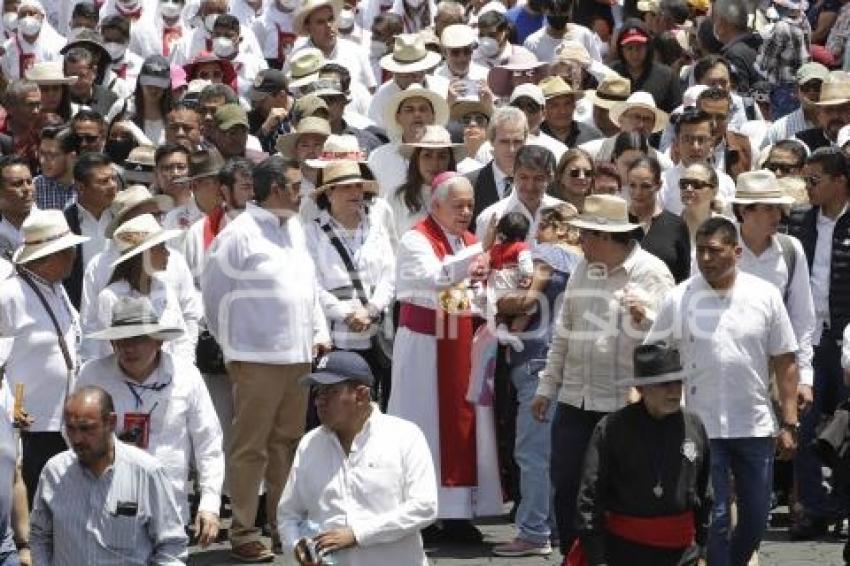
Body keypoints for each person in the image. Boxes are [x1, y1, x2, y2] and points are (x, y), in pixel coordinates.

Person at [646, 216, 800, 566]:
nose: (706, 259)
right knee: (713, 519)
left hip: (754, 424)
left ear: (737, 252)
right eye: (700, 251)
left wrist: (789, 422)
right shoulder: (679, 297)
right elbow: (652, 352)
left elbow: (785, 360)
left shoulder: (765, 296)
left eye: (715, 251)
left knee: (756, 518)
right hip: (699, 427)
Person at [202, 156, 331, 562]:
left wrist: (318, 333)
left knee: (287, 444)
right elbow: (213, 296)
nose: (302, 193)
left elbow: (308, 287)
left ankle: (283, 526)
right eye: (296, 187)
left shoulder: (295, 229)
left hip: (297, 355)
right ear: (275, 188)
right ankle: (243, 531)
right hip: (254, 357)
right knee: (250, 446)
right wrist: (234, 345)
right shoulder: (237, 234)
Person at [531, 194, 676, 557]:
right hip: (575, 399)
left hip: (621, 404)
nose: (580, 241)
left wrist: (646, 319)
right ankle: (574, 558)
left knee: (617, 493)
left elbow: (671, 339)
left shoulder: (651, 272)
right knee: (566, 486)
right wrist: (547, 387)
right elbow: (565, 331)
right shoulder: (584, 268)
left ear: (610, 237)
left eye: (588, 235)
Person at [389, 173, 503, 542]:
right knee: (423, 427)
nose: (467, 212)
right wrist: (477, 255)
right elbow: (433, 277)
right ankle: (422, 512)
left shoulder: (469, 242)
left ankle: (456, 513)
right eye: (459, 205)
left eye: (471, 205)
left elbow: (473, 295)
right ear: (435, 205)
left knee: (464, 427)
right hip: (424, 348)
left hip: (460, 344)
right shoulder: (415, 239)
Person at [78, 296, 224, 542]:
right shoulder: (93, 375)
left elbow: (208, 442)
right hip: (105, 510)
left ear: (158, 341)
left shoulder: (186, 375)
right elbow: (70, 434)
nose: (128, 348)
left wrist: (209, 503)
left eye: (137, 339)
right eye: (120, 340)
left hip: (169, 512)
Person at [278, 350, 438, 564]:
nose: (319, 401)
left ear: (361, 395)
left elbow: (425, 506)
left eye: (330, 392)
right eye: (318, 392)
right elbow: (289, 514)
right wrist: (296, 547)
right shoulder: (309, 444)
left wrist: (359, 534)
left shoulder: (405, 436)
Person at [491, 203, 580, 557]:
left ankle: (533, 530)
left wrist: (494, 300)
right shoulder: (588, 260)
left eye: (544, 223)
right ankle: (554, 526)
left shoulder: (543, 254)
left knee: (532, 452)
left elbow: (527, 300)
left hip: (538, 359)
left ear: (558, 228)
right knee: (556, 451)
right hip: (565, 360)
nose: (536, 230)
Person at [571, 343, 712, 566]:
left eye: (678, 382)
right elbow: (590, 498)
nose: (675, 390)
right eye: (665, 384)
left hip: (684, 554)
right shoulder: (612, 428)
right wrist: (597, 559)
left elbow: (705, 494)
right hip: (625, 552)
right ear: (641, 389)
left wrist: (703, 551)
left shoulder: (694, 426)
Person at [29, 386, 188, 564]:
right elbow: (40, 537)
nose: (77, 439)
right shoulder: (54, 472)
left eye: (86, 428)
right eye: (71, 429)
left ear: (110, 422)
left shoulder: (147, 472)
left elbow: (171, 546)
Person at [0, 208, 88, 505]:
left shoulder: (57, 288)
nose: (75, 256)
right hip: (30, 427)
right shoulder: (9, 295)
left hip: (65, 422)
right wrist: (10, 404)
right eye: (68, 250)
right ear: (48, 257)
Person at [786, 147, 850, 539]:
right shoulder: (797, 222)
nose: (806, 187)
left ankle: (843, 504)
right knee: (803, 425)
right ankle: (814, 507)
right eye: (804, 180)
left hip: (847, 340)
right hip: (808, 339)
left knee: (846, 429)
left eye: (814, 180)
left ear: (840, 181)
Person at [305, 160, 396, 406]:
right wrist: (346, 314)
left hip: (376, 333)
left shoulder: (376, 227)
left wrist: (371, 309)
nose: (356, 193)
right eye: (346, 187)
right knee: (338, 404)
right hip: (336, 337)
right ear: (329, 193)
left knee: (373, 402)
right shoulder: (312, 232)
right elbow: (312, 285)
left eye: (358, 186)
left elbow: (389, 275)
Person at [89, 213, 202, 364]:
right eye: (160, 247)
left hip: (171, 378)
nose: (167, 253)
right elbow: (109, 352)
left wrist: (183, 372)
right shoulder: (111, 297)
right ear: (143, 254)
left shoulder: (164, 289)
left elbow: (181, 338)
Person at [62, 152, 118, 310]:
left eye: (113, 178)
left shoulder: (123, 217)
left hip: (122, 310)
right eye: (103, 181)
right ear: (80, 187)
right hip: (81, 310)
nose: (112, 185)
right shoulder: (65, 224)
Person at [475, 144, 564, 242]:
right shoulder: (491, 217)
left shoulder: (564, 213)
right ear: (513, 174)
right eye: (523, 177)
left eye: (538, 179)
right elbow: (481, 255)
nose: (530, 186)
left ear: (550, 178)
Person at [625, 156, 691, 283]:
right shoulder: (617, 224)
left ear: (659, 185)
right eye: (632, 185)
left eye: (645, 186)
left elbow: (683, 277)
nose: (638, 192)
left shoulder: (676, 225)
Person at [392, 125, 462, 239]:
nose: (434, 163)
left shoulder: (461, 196)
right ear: (416, 160)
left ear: (450, 161)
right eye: (427, 155)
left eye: (442, 156)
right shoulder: (397, 197)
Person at [466, 106, 528, 225]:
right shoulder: (469, 184)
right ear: (492, 141)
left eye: (517, 142)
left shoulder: (538, 184)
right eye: (504, 142)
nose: (511, 149)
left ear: (525, 141)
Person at [611, 20, 681, 113]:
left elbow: (676, 111)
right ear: (621, 49)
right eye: (629, 48)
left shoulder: (667, 76)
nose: (635, 54)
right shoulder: (611, 74)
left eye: (639, 47)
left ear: (648, 47)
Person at [539, 76, 602, 149]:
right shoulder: (534, 138)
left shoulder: (592, 136)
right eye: (555, 105)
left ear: (574, 106)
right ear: (544, 109)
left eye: (567, 104)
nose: (563, 111)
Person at [33, 126, 77, 211]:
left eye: (52, 155)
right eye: (41, 153)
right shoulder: (33, 188)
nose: (42, 161)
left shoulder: (87, 188)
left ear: (71, 157)